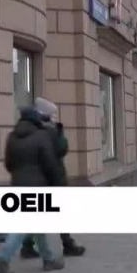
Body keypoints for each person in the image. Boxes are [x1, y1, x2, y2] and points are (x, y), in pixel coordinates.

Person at [0, 102, 66, 273]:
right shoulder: (41, 136)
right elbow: (50, 165)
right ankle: (2, 257)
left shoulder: (11, 137)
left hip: (18, 184)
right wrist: (57, 185)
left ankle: (48, 259)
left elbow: (8, 163)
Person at [20, 98, 86, 259]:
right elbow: (61, 148)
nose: (56, 117)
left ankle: (28, 246)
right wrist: (59, 130)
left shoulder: (30, 128)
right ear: (45, 115)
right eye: (53, 114)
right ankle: (66, 245)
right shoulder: (49, 130)